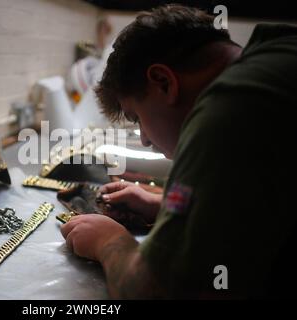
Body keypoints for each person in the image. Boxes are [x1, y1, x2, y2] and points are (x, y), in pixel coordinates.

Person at [60, 4, 297, 298]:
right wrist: (164, 206)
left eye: (137, 118)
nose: (145, 139)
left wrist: (108, 241)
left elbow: (154, 291)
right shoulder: (275, 57)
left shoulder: (231, 105)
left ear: (163, 81)